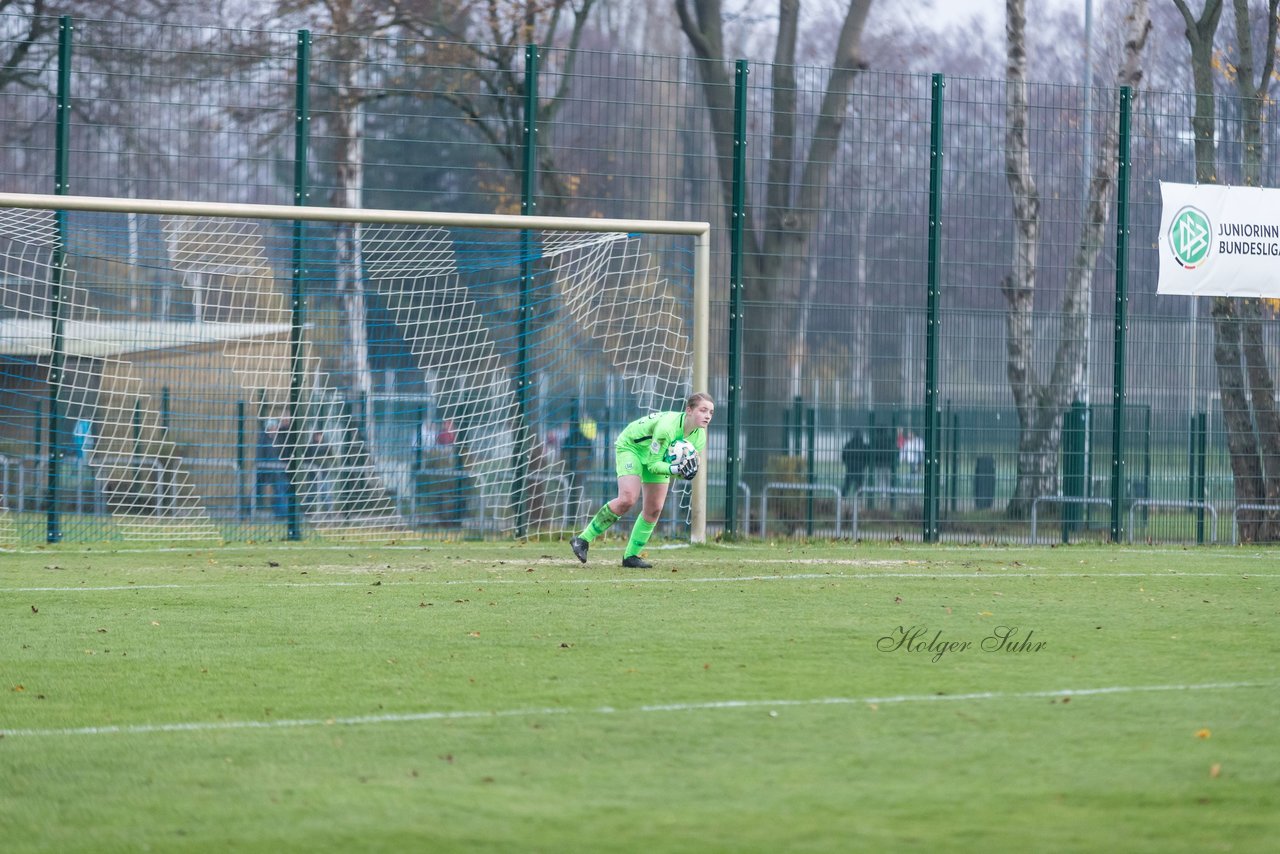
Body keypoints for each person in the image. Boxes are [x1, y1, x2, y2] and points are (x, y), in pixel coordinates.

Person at [570, 392, 714, 568]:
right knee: (627, 499)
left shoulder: (699, 437)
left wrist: (685, 472)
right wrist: (676, 469)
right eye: (703, 410)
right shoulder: (668, 427)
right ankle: (582, 540)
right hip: (633, 447)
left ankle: (631, 556)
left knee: (654, 509)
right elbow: (655, 465)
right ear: (689, 410)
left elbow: (675, 466)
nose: (707, 416)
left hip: (657, 458)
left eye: (711, 412)